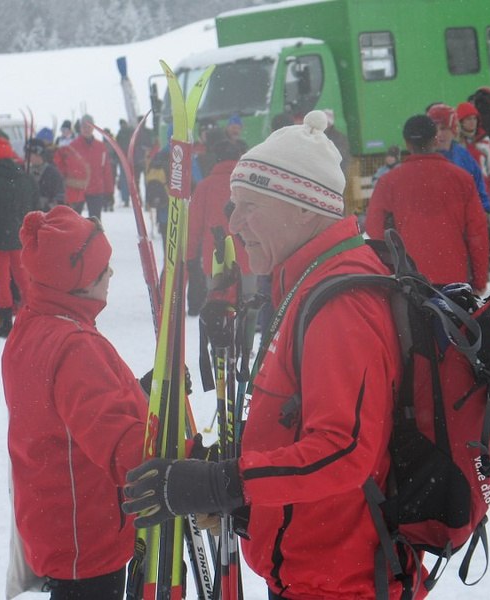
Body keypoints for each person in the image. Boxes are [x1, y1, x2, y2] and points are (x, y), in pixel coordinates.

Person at [122, 110, 426, 599]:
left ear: (304, 209)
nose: (233, 223)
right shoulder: (306, 283)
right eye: (233, 207)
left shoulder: (340, 303)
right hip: (312, 567)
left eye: (249, 207)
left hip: (340, 583)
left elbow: (343, 451)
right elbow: (298, 425)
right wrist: (239, 489)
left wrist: (223, 483)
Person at [2, 205, 147, 600]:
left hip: (59, 524)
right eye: (102, 269)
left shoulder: (33, 325)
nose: (111, 274)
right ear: (78, 282)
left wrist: (137, 392)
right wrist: (187, 466)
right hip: (89, 536)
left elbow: (66, 413)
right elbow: (118, 443)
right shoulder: (75, 346)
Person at [366, 115, 489, 293]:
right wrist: (479, 279)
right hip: (455, 277)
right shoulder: (462, 179)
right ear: (435, 139)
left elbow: (375, 228)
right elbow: (477, 233)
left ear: (407, 144)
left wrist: (393, 265)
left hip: (409, 280)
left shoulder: (388, 181)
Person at [0, 137, 38, 338]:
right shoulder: (25, 178)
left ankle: (6, 324)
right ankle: (32, 320)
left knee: (3, 283)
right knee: (24, 281)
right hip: (20, 237)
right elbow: (35, 206)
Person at [186, 139, 251, 314]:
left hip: (217, 260)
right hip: (249, 257)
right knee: (250, 308)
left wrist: (190, 256)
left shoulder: (205, 186)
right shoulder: (248, 185)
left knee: (219, 308)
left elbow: (193, 227)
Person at [427, 103, 490, 213]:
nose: (438, 134)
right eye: (434, 129)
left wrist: (487, 212)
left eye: (443, 128)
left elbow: (479, 188)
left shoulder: (463, 155)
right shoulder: (423, 158)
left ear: (454, 130)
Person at [53, 114, 114, 220]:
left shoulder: (101, 147)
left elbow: (106, 170)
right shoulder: (72, 146)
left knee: (95, 222)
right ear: (80, 128)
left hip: (96, 189)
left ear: (93, 127)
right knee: (74, 222)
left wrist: (109, 191)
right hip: (77, 190)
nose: (86, 129)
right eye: (84, 126)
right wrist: (65, 183)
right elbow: (63, 166)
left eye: (89, 126)